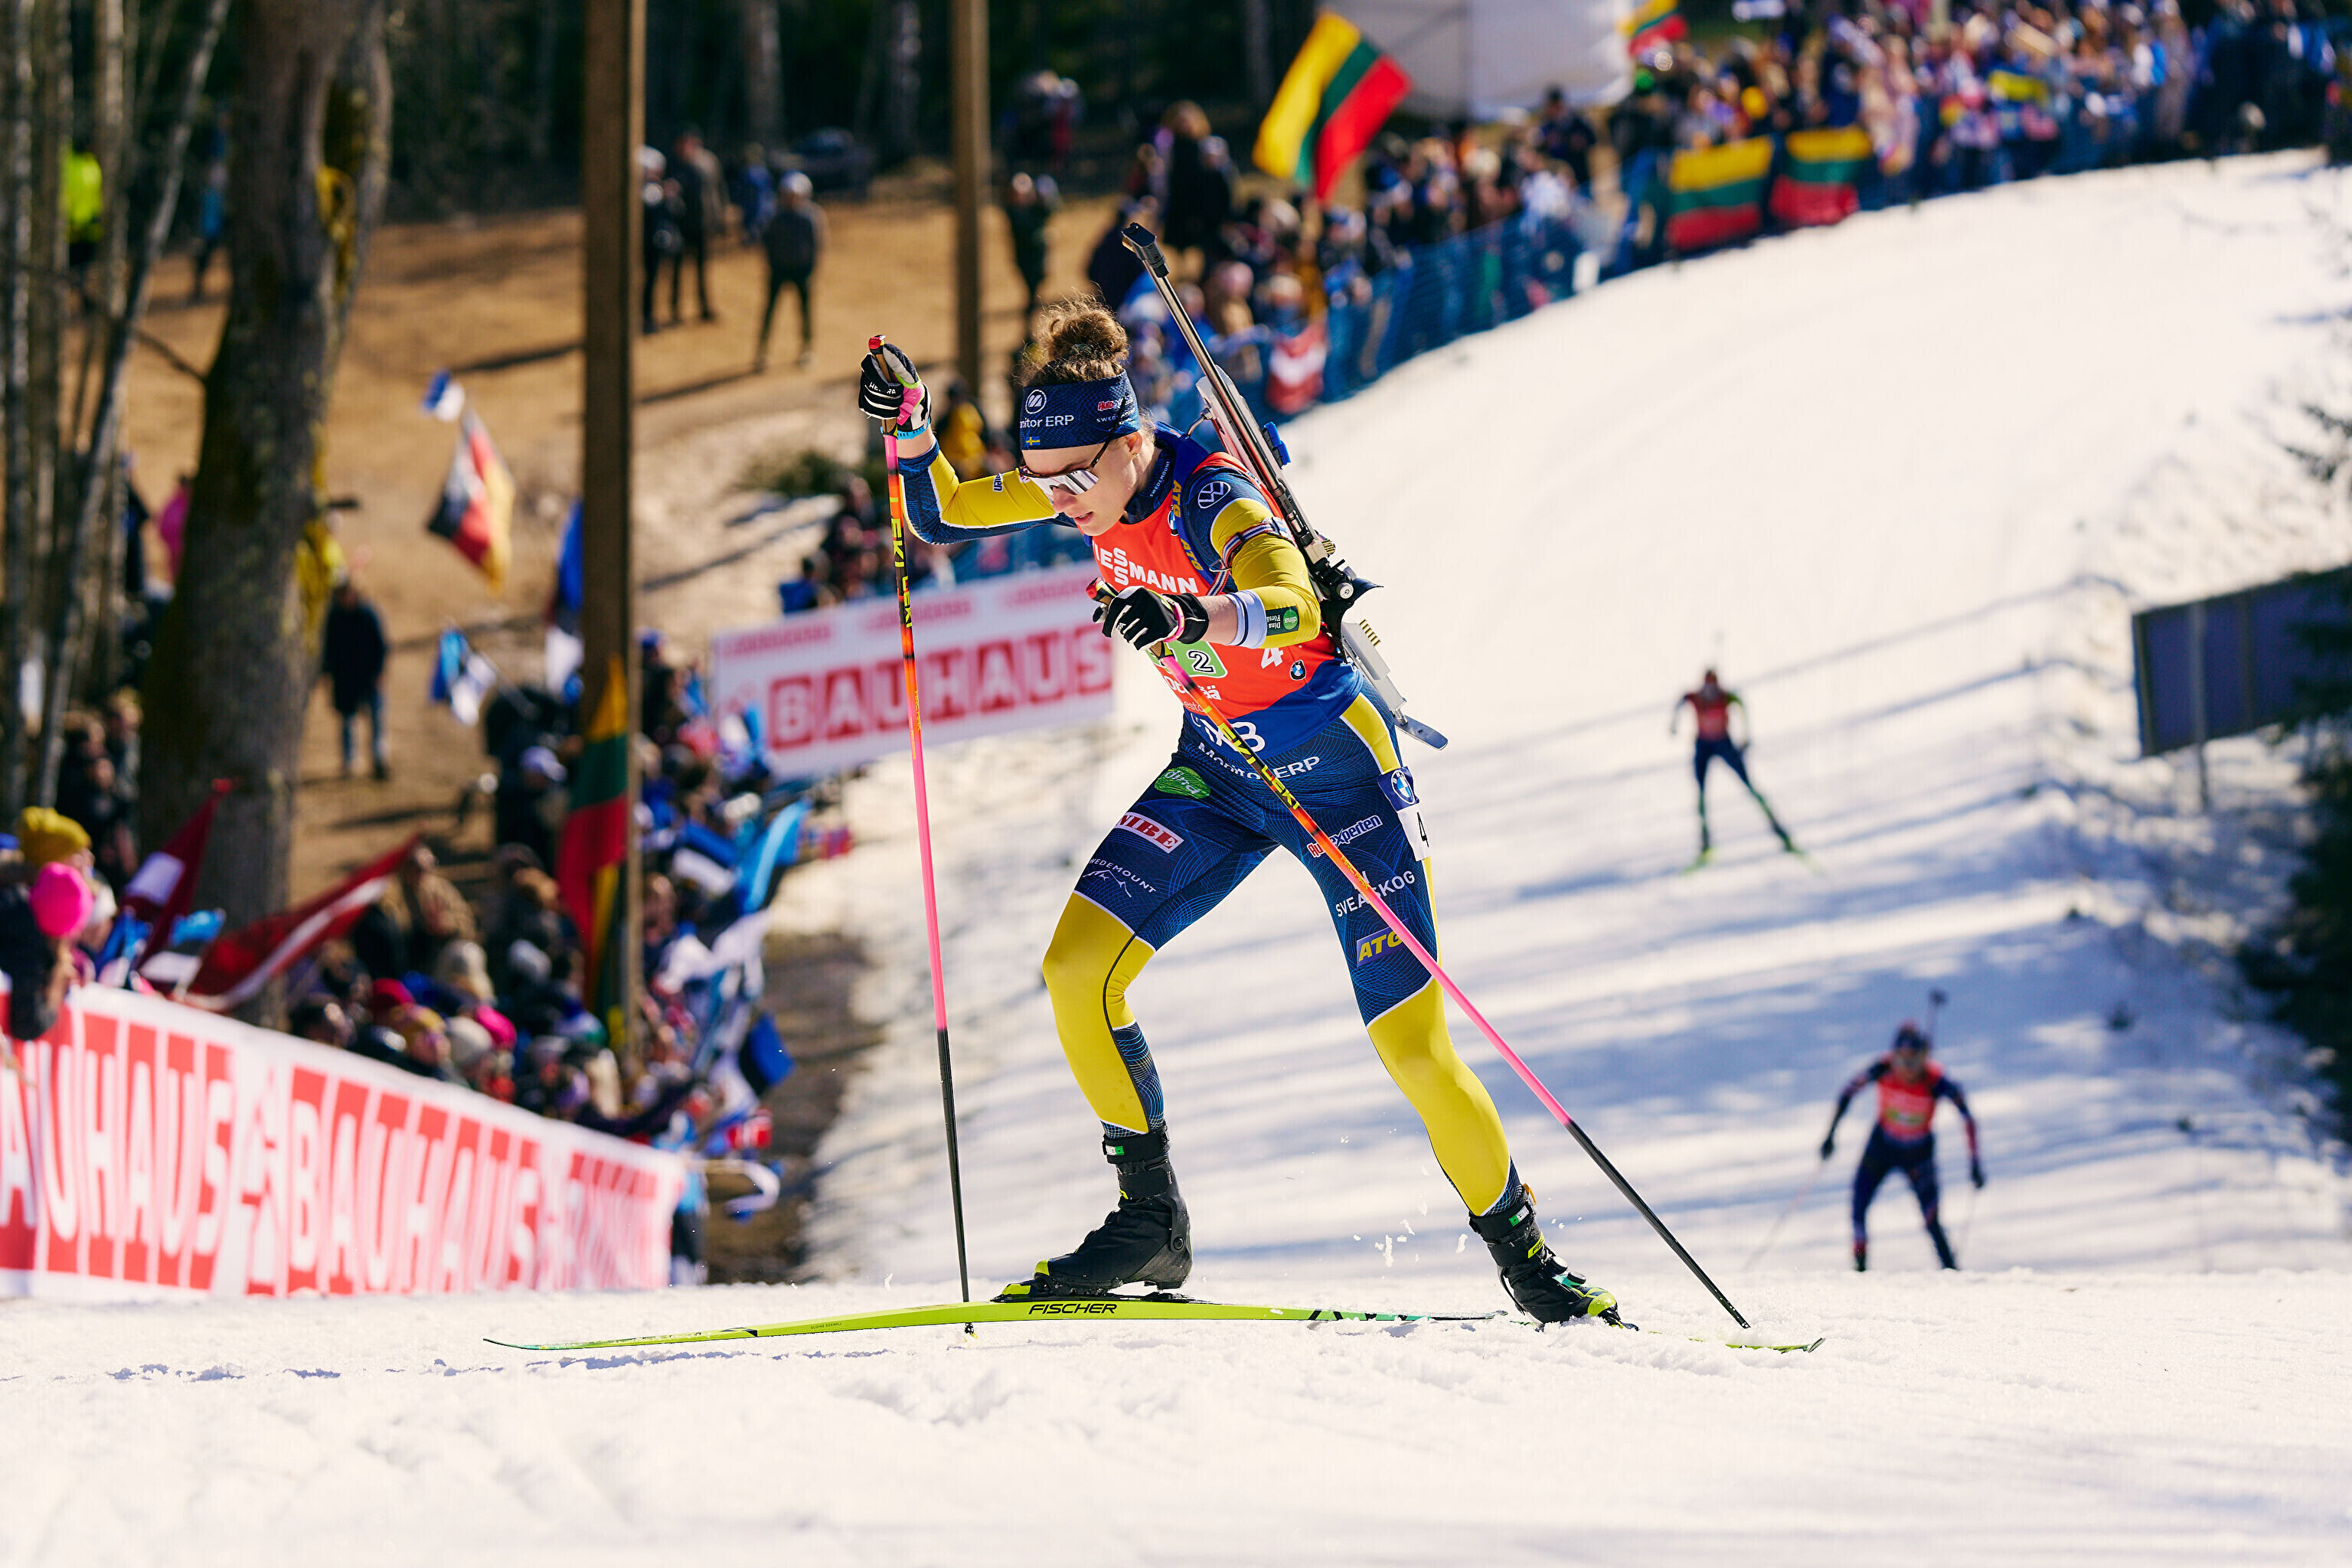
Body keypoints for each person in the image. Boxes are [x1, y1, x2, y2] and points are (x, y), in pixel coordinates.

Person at [855, 307, 1622, 1325]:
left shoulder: (1214, 496)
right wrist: (912, 423)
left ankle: (1531, 1265)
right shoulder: (1083, 481)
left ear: (1131, 441)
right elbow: (946, 513)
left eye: (1075, 480)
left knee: (1412, 1045)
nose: (1061, 503)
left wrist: (1188, 615)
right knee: (1076, 970)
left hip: (1341, 785)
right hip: (1219, 773)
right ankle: (1150, 1219)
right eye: (1044, 485)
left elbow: (1292, 606)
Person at [1820, 1021, 1982, 1271]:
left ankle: (1952, 1273)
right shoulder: (1882, 1068)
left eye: (1913, 1061)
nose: (1906, 1068)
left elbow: (1967, 1117)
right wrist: (1831, 1134)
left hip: (1918, 1153)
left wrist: (1974, 1162)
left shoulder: (1935, 1080)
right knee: (1858, 1207)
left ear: (1924, 1058)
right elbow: (1848, 1092)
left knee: (1931, 1220)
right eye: (1900, 1060)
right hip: (1882, 1146)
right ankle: (1860, 1272)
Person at [1671, 668, 1795, 864]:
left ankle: (1780, 831)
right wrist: (1674, 724)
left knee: (1750, 787)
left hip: (1724, 744)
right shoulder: (1696, 698)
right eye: (1708, 686)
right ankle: (1705, 844)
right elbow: (1682, 699)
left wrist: (1745, 736)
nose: (1710, 691)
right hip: (1703, 747)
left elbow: (1741, 704)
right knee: (1701, 795)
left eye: (1713, 686)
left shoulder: (1725, 697)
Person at [755, 171, 825, 371]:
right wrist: (771, 265)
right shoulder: (775, 217)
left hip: (802, 271)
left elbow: (817, 245)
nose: (792, 199)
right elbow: (767, 243)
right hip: (779, 271)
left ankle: (807, 349)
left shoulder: (810, 218)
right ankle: (763, 351)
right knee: (770, 311)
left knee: (804, 311)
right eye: (789, 195)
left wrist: (811, 269)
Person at [322, 574, 390, 779]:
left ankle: (379, 757)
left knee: (377, 718)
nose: (346, 598)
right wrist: (327, 674)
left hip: (368, 676)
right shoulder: (334, 616)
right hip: (345, 678)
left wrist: (380, 672)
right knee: (347, 721)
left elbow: (381, 645)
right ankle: (349, 761)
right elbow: (328, 648)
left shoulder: (369, 613)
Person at [671, 129, 725, 324]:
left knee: (702, 269)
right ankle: (675, 310)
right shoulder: (674, 166)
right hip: (680, 226)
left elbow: (718, 190)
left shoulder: (708, 163)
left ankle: (704, 307)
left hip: (703, 223)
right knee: (677, 270)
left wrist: (719, 217)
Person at [1003, 172, 1058, 323]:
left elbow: (1050, 209)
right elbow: (1028, 232)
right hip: (1026, 261)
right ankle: (1029, 324)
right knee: (1032, 294)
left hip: (1037, 259)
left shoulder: (1033, 211)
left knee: (1035, 293)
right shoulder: (1016, 214)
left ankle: (1030, 324)